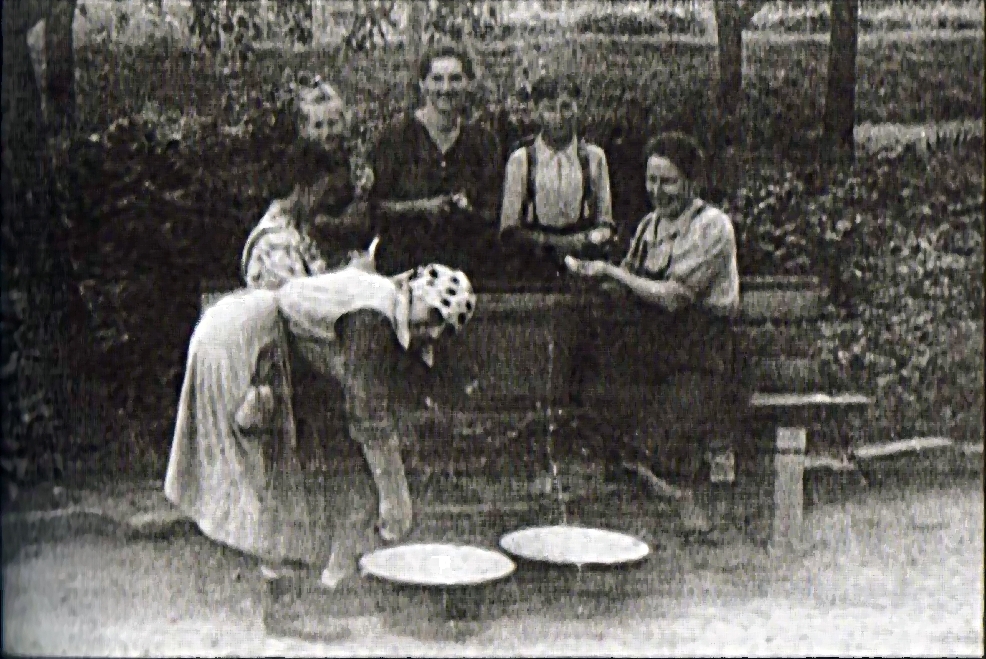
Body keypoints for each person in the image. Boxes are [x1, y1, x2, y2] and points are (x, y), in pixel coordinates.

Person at [163, 245, 477, 592]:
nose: (431, 333)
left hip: (243, 331)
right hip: (241, 341)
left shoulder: (380, 296)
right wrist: (394, 496)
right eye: (434, 317)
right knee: (251, 465)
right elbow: (368, 415)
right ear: (418, 295)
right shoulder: (373, 316)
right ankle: (272, 594)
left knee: (273, 467)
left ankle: (286, 581)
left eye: (442, 330)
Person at [565, 131, 742, 533]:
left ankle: (689, 511)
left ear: (692, 182)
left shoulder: (712, 227)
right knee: (605, 409)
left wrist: (612, 273)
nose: (657, 191)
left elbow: (673, 297)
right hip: (655, 348)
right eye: (651, 180)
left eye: (668, 181)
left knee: (660, 442)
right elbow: (632, 285)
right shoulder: (650, 225)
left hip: (703, 353)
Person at [367, 43, 502, 278]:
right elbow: (375, 207)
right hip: (405, 263)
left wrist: (468, 208)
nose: (446, 88)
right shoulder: (396, 138)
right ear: (423, 84)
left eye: (455, 79)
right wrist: (422, 208)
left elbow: (493, 210)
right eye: (437, 79)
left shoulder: (483, 142)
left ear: (468, 83)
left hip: (467, 266)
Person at [242, 75, 373, 291]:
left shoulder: (351, 162)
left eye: (333, 123)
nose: (327, 133)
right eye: (318, 125)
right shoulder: (300, 164)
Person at [499, 74, 617, 277]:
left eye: (566, 107)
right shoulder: (522, 160)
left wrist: (586, 240)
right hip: (534, 263)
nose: (558, 117)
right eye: (550, 109)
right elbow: (509, 230)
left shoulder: (593, 157)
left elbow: (605, 223)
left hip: (583, 261)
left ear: (577, 108)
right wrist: (553, 244)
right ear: (537, 112)